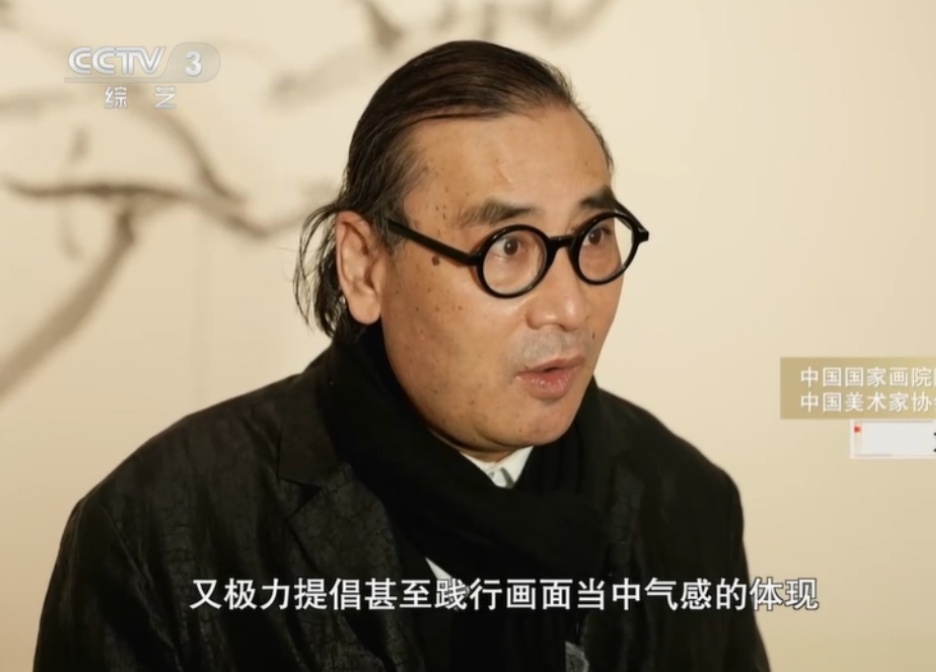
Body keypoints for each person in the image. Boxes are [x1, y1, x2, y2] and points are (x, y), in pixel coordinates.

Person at [32, 40, 770, 672]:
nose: (570, 308)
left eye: (594, 236)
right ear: (364, 266)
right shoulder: (160, 531)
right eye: (507, 247)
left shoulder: (688, 503)